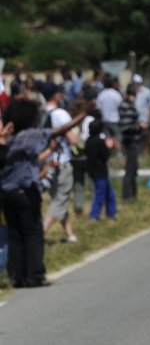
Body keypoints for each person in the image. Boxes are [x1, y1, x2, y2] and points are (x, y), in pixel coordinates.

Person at [0, 99, 89, 287]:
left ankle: (17, 275)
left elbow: (25, 161)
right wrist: (82, 115)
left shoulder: (9, 140)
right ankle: (35, 275)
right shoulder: (31, 135)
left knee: (15, 235)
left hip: (7, 193)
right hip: (26, 191)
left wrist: (47, 157)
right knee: (33, 234)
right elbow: (60, 130)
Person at [39, 83, 79, 243]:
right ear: (56, 96)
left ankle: (70, 235)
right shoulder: (61, 114)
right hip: (61, 160)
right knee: (61, 199)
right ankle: (39, 235)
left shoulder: (40, 112)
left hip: (46, 160)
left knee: (57, 198)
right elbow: (73, 140)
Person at [85, 116, 116, 221]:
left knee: (108, 193)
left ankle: (111, 214)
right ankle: (94, 215)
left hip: (92, 170)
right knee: (100, 195)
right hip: (100, 171)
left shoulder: (88, 141)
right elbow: (105, 156)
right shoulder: (99, 141)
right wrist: (109, 147)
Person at [118, 83, 145, 201]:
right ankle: (127, 195)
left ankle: (133, 195)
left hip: (133, 140)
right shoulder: (126, 106)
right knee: (130, 168)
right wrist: (140, 126)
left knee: (134, 168)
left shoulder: (129, 105)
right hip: (130, 141)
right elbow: (126, 126)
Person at [96, 76, 123, 142]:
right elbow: (121, 106)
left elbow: (98, 108)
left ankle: (108, 151)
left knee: (107, 138)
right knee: (117, 138)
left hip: (105, 119)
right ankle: (118, 152)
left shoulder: (101, 94)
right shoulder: (116, 94)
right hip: (115, 119)